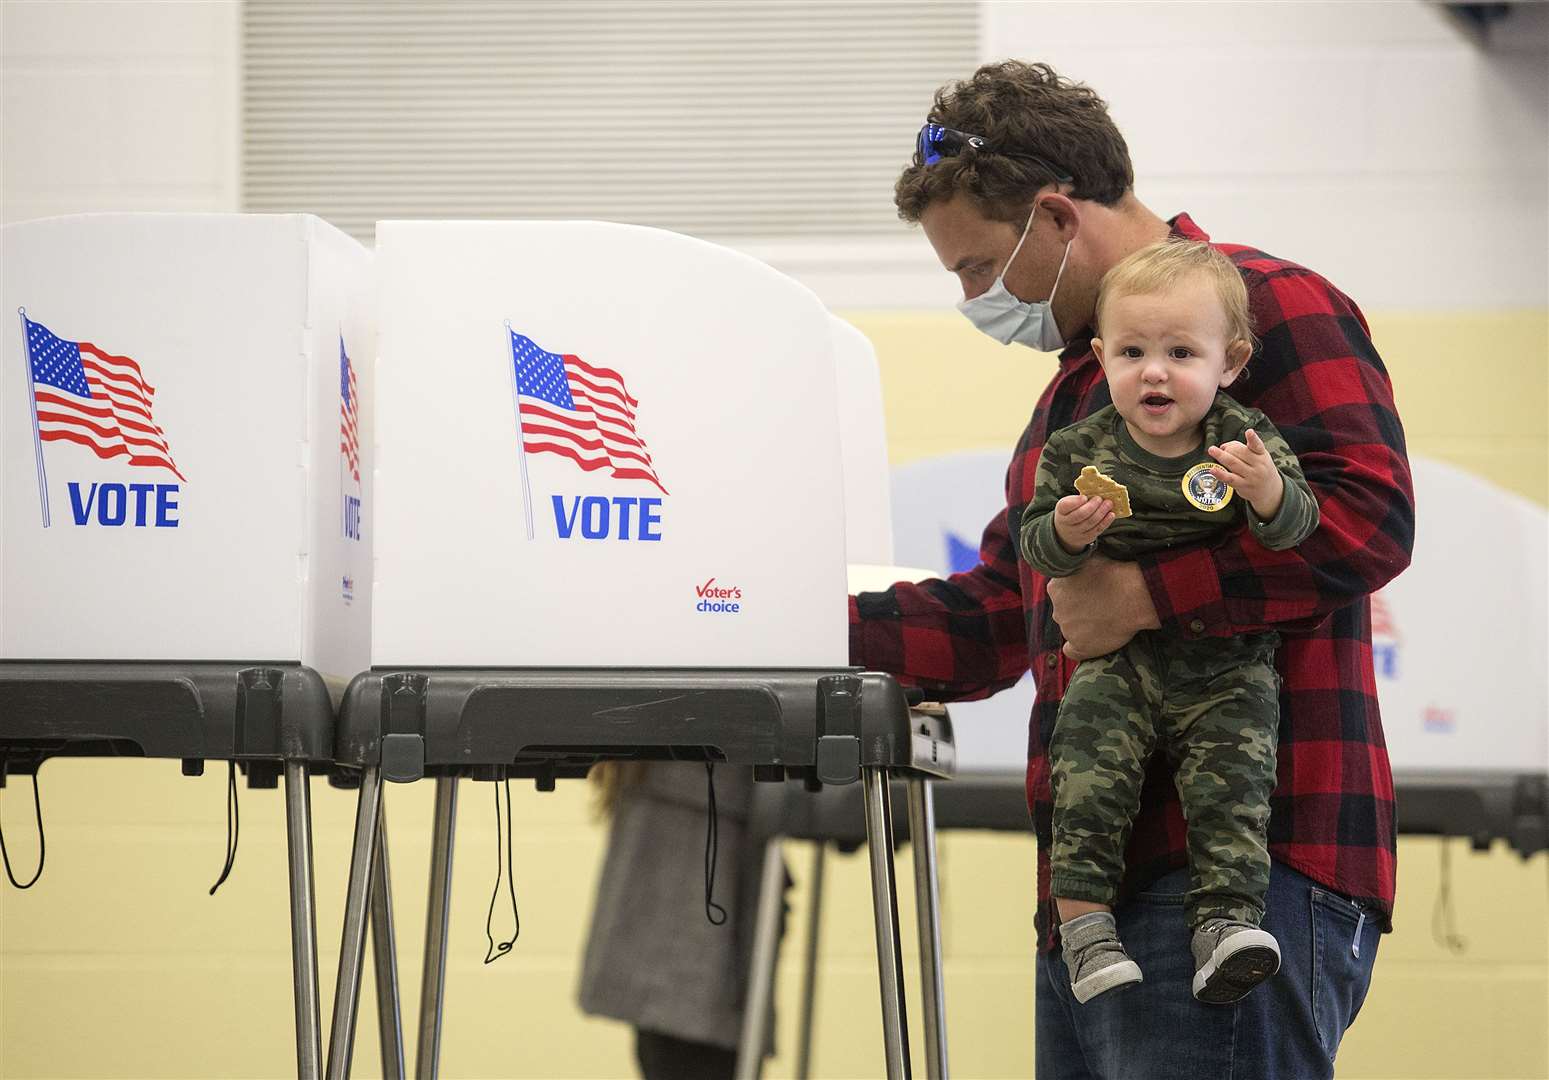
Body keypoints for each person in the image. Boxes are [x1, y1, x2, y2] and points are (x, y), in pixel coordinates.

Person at [850, 61, 1414, 1079]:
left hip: (1235, 875)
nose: (978, 299)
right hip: (1096, 899)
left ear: (1057, 216)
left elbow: (1367, 516)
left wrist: (1150, 597)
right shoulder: (1077, 394)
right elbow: (999, 614)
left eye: (978, 267)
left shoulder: (1265, 307)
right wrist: (786, 623)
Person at [1019, 239, 1319, 1006]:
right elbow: (1032, 544)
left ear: (1229, 361)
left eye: (1180, 351)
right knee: (1084, 770)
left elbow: (1296, 532)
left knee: (1235, 786)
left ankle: (1225, 925)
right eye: (1131, 351)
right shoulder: (1078, 450)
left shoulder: (1242, 441)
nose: (1153, 371)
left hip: (1226, 662)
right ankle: (1084, 929)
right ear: (1101, 360)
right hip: (1117, 664)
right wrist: (1066, 532)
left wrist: (1266, 494)